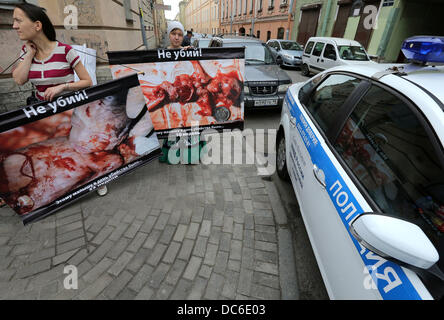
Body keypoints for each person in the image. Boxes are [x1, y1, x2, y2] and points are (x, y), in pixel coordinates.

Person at [11, 4, 108, 197]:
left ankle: (99, 179)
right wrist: (30, 54)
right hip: (45, 115)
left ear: (37, 25)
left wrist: (62, 87)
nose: (14, 26)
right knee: (54, 154)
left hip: (72, 111)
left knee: (82, 148)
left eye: (18, 20)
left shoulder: (65, 51)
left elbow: (87, 81)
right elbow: (19, 79)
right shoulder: (25, 51)